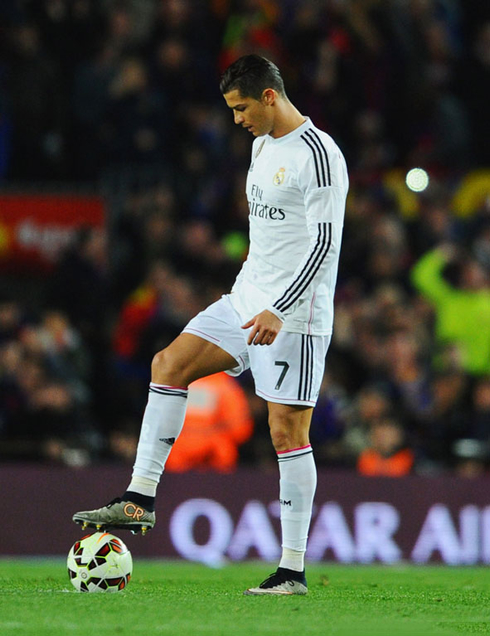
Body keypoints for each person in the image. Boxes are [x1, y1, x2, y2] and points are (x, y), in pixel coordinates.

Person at [73, 54, 349, 596]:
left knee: (286, 433)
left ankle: (292, 570)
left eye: (242, 107)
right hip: (246, 298)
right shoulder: (260, 144)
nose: (237, 119)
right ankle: (140, 497)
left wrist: (281, 307)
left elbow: (324, 244)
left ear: (269, 96)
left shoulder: (318, 156)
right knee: (168, 364)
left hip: (297, 316)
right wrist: (251, 296)